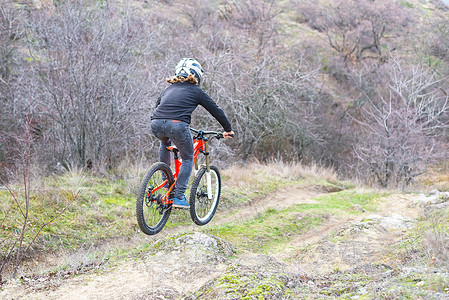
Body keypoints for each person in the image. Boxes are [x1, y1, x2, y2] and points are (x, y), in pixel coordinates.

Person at [150, 58, 234, 209]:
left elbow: (157, 106)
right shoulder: (196, 91)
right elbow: (215, 111)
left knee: (165, 143)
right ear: (197, 75)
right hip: (177, 125)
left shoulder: (168, 89)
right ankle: (179, 196)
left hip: (155, 123)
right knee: (188, 158)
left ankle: (166, 179)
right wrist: (227, 129)